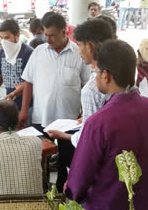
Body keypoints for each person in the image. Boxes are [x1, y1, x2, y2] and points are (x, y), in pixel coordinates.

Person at [65, 40, 148, 210]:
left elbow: (77, 183)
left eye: (95, 71)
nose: (95, 76)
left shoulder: (98, 123)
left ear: (106, 75)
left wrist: (71, 190)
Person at [46, 19, 114, 192]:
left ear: (90, 47)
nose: (78, 51)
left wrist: (64, 136)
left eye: (80, 45)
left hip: (99, 168)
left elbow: (90, 142)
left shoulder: (93, 87)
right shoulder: (118, 73)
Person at [20, 12, 90, 130]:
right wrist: (24, 110)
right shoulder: (38, 52)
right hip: (41, 118)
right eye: (46, 35)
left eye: (52, 35)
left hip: (69, 121)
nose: (48, 39)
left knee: (66, 149)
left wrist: (84, 113)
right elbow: (28, 82)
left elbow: (86, 86)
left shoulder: (79, 53)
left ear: (64, 32)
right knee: (44, 148)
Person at [0, 19, 33, 109]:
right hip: (10, 104)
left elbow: (30, 82)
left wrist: (14, 94)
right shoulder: (0, 53)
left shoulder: (28, 53)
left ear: (17, 36)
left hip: (28, 105)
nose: (3, 41)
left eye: (7, 37)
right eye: (1, 38)